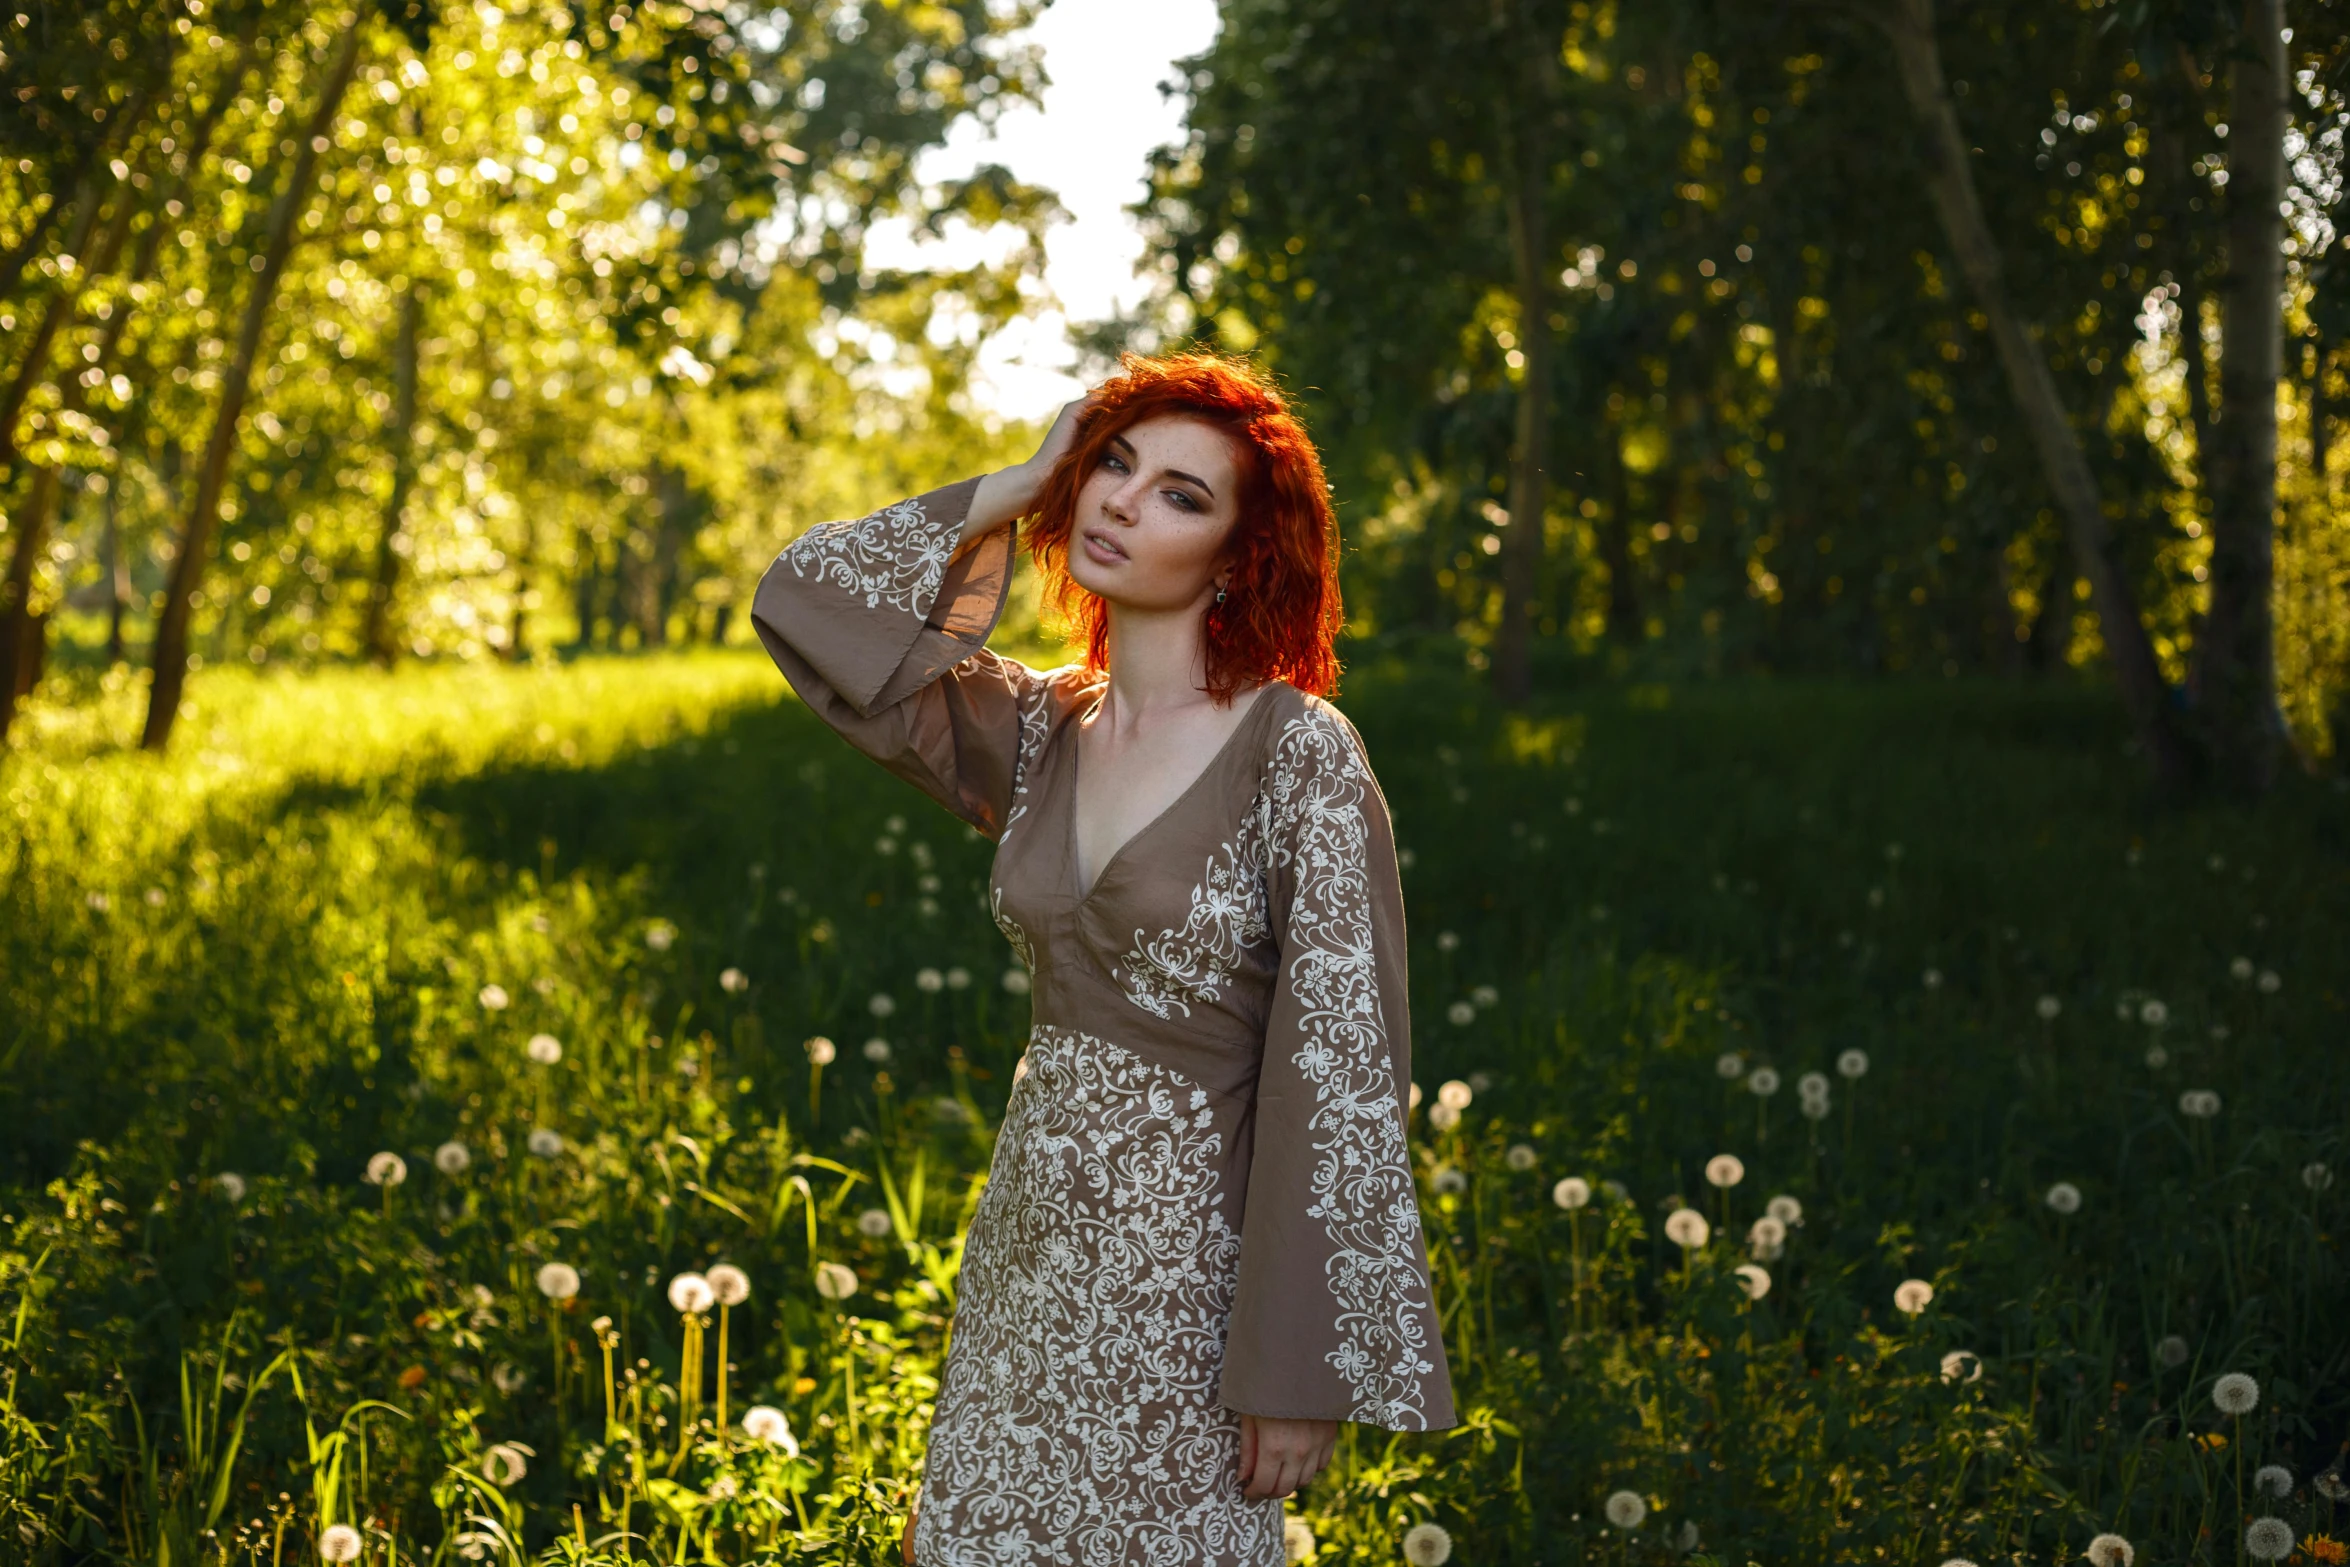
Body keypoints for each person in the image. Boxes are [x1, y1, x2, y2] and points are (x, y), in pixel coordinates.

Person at [751, 352, 1454, 1566]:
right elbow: (807, 608)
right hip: (1025, 1258)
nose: (1125, 502)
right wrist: (1017, 482)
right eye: (1114, 466)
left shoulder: (1300, 754)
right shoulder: (1035, 729)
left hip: (1190, 1294)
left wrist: (1293, 1364)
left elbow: (1342, 1064)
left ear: (1240, 555)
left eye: (1183, 493)